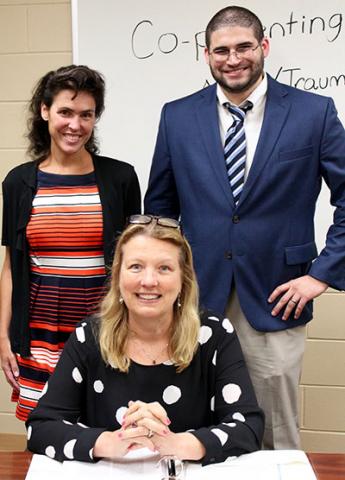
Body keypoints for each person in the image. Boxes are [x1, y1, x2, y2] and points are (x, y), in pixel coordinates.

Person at [144, 6, 345, 450]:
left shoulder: (314, 112)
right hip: (194, 297)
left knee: (274, 429)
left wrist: (320, 275)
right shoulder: (177, 117)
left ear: (264, 47)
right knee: (191, 422)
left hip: (277, 296)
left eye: (243, 47)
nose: (232, 59)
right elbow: (160, 209)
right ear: (207, 55)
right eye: (221, 50)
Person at [26, 215, 264, 464]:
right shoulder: (90, 336)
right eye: (136, 267)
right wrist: (109, 441)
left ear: (183, 280)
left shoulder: (214, 335)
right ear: (118, 275)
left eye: (164, 268)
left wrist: (176, 443)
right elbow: (41, 427)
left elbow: (248, 428)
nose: (149, 281)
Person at [0, 65, 141, 421]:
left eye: (86, 115)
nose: (75, 125)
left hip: (104, 329)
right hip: (40, 335)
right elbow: (12, 267)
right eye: (65, 111)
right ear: (45, 111)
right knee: (46, 430)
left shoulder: (120, 178)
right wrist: (3, 336)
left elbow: (134, 260)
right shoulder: (19, 183)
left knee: (108, 427)